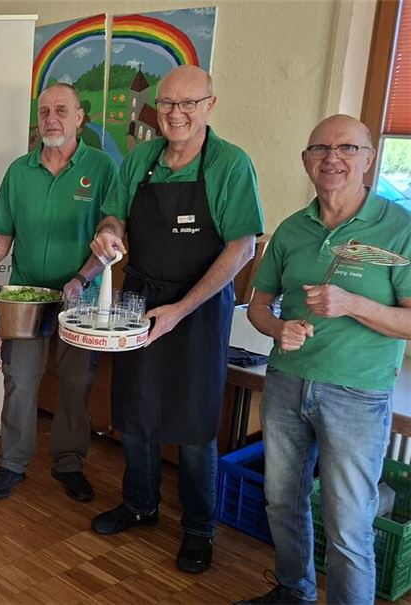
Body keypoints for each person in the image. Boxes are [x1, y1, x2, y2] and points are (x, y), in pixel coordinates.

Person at [90, 65, 264, 574]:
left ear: (210, 105)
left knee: (193, 427)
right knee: (136, 412)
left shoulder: (231, 164)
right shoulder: (141, 158)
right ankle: (140, 505)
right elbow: (113, 213)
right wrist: (108, 233)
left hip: (200, 311)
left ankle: (198, 528)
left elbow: (242, 246)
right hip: (139, 300)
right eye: (166, 104)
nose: (175, 114)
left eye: (188, 103)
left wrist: (182, 309)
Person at [236, 115, 411, 605]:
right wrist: (278, 328)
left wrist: (352, 303)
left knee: (348, 524)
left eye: (348, 148)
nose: (333, 158)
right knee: (282, 502)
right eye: (321, 149)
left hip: (358, 394)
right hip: (287, 382)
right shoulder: (292, 230)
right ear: (306, 160)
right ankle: (295, 590)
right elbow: (257, 304)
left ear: (369, 159)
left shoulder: (398, 229)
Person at [0, 82, 117, 503]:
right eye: (45, 110)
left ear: (80, 117)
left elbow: (111, 231)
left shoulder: (101, 169)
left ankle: (68, 461)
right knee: (20, 381)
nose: (52, 118)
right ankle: (11, 463)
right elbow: (3, 232)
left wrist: (81, 278)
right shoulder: (19, 171)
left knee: (75, 382)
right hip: (25, 298)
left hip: (81, 297)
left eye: (62, 110)